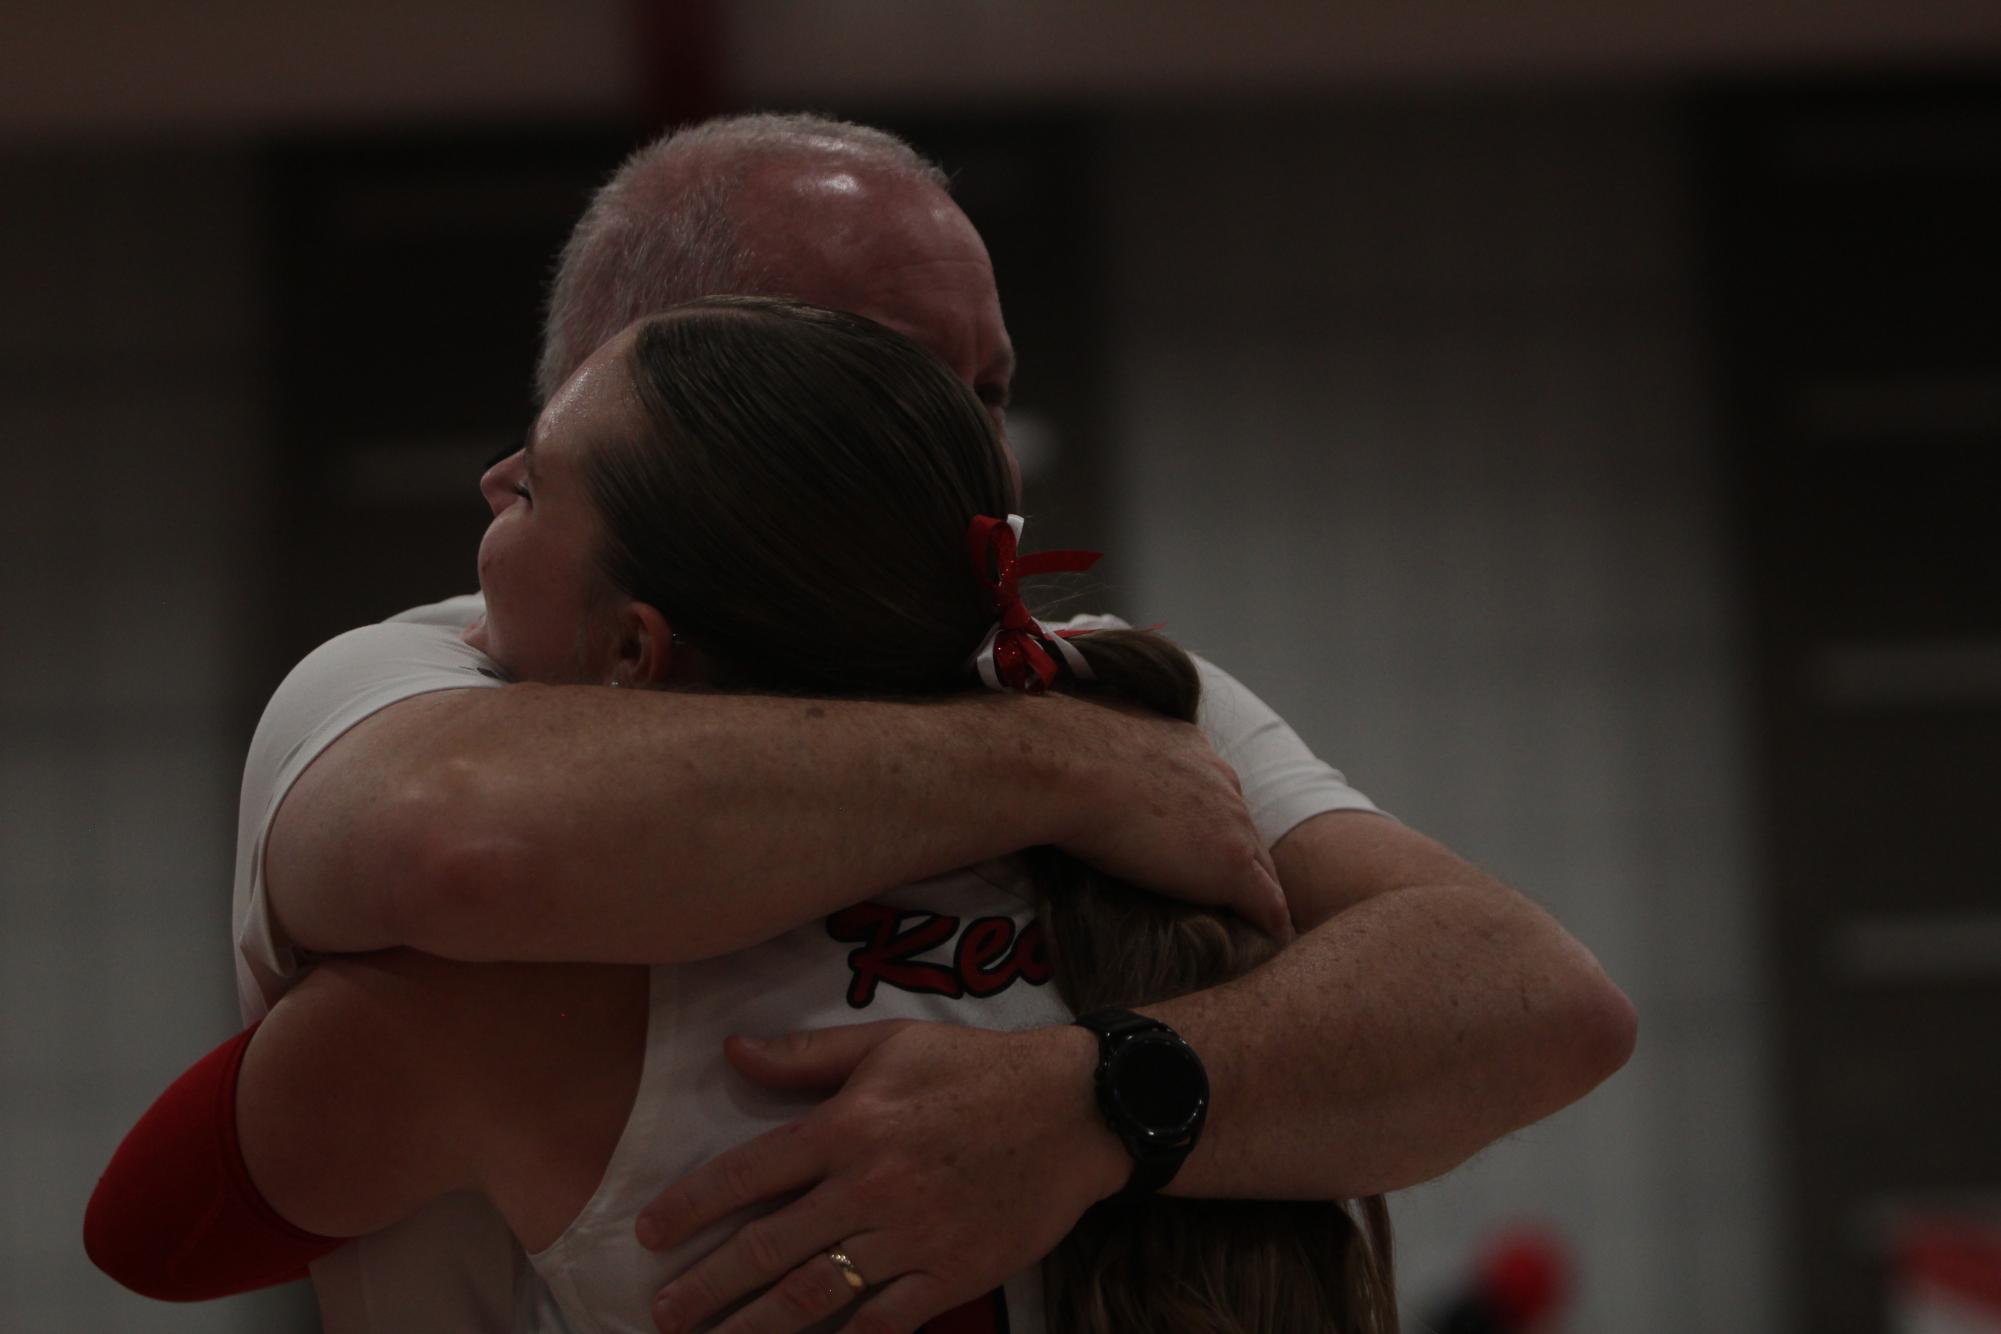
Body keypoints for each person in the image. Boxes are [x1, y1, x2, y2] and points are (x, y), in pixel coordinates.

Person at [212, 113, 1633, 1334]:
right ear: (651, 375)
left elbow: (1532, 999)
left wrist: (1095, 1104)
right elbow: (463, 843)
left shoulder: (1107, 684)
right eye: (894, 377)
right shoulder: (422, 674)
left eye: (992, 391)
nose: (975, 456)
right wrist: (1045, 766)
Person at [90, 296, 1400, 1334]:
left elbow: (151, 1229)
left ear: (632, 656)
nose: (494, 482)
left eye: (537, 485)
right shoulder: (1180, 905)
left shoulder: (491, 1011)